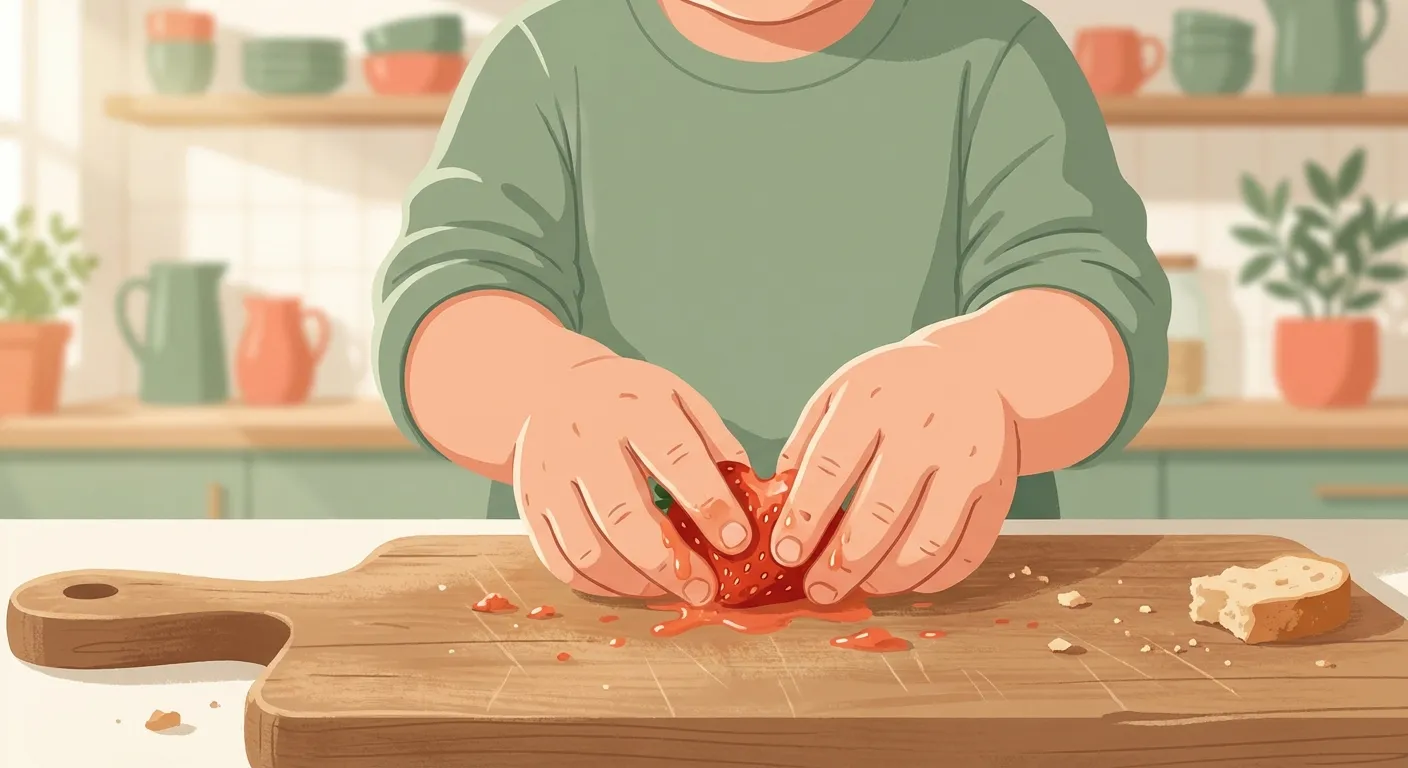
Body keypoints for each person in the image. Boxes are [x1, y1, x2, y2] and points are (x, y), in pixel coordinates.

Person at [372, 0, 1171, 610]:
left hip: (957, 605)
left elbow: (1093, 298)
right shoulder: (545, 51)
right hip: (594, 601)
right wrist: (546, 391)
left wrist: (987, 381)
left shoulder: (998, 49)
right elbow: (447, 295)